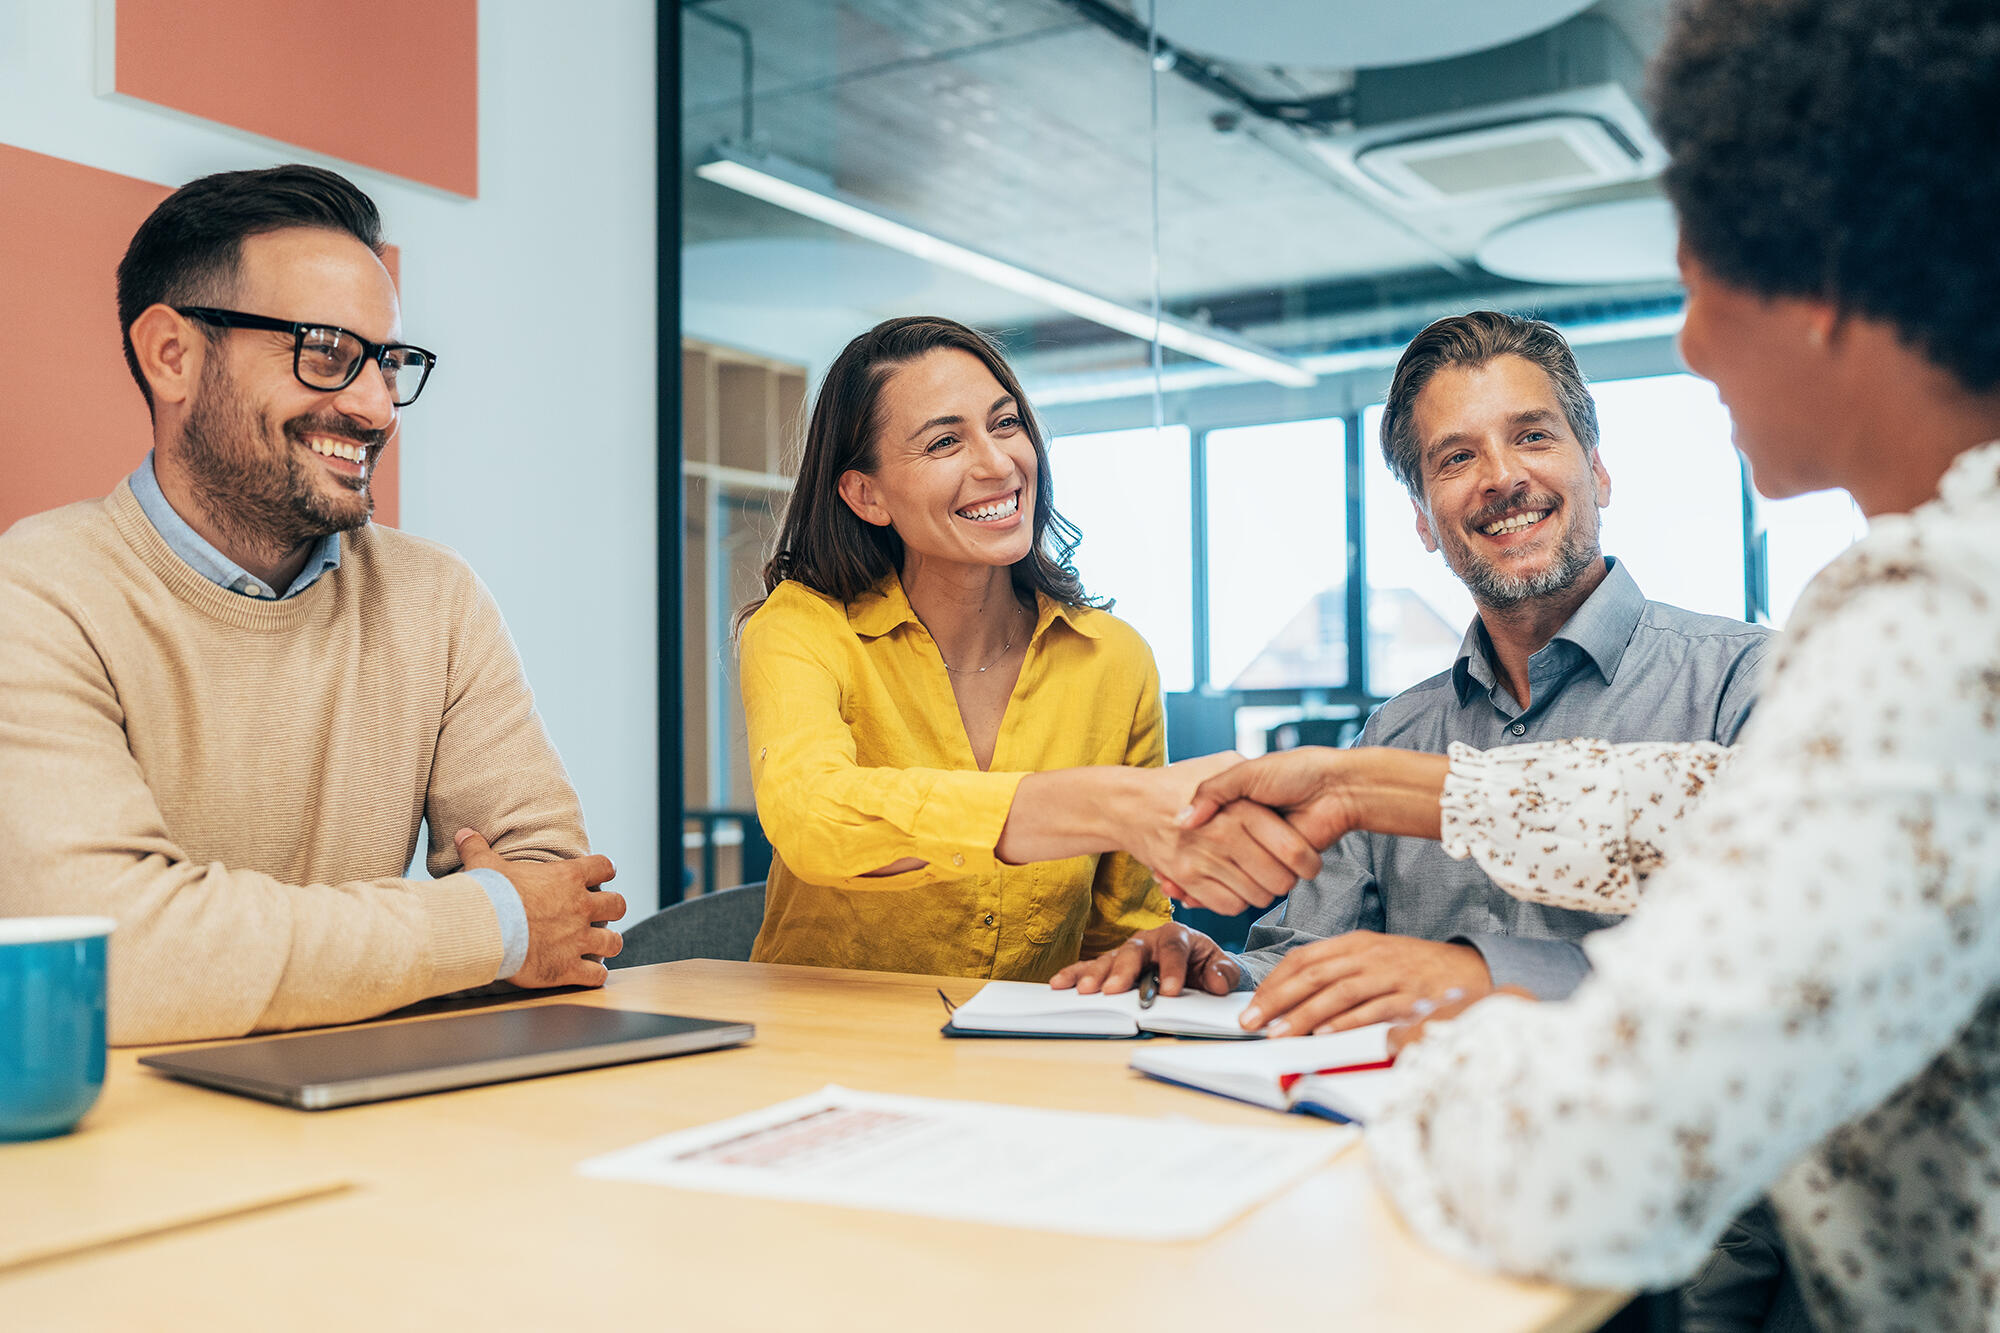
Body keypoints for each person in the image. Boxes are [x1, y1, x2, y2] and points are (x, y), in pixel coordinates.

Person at [1183, 0, 2000, 1326]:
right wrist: (1384, 786)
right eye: (1456, 456)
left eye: (1697, 282)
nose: (1688, 343)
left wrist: (1425, 1043)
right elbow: (1724, 815)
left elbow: (1590, 1166)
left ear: (1822, 276)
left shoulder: (1934, 613)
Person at [0, 165, 622, 1045]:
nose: (374, 406)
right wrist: (483, 927)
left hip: (381, 1124)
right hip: (133, 1152)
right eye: (325, 351)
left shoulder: (435, 598)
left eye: (389, 362)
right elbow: (120, 957)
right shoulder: (35, 592)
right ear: (171, 354)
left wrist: (233, 950)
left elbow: (563, 907)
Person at [1054, 312, 1771, 1035]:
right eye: (1455, 458)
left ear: (1599, 470)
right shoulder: (1394, 733)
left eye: (1532, 436)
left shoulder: (1749, 682)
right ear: (1425, 521)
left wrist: (1488, 978)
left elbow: (1775, 950)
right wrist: (1213, 974)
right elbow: (1303, 958)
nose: (1501, 477)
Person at [738, 316, 1315, 980]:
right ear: (867, 495)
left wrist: (1156, 949)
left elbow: (1119, 931)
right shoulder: (802, 628)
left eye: (1005, 424)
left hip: (1025, 1060)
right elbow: (812, 815)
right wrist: (1112, 805)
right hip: (822, 1050)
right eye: (946, 441)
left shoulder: (1114, 660)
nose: (996, 462)